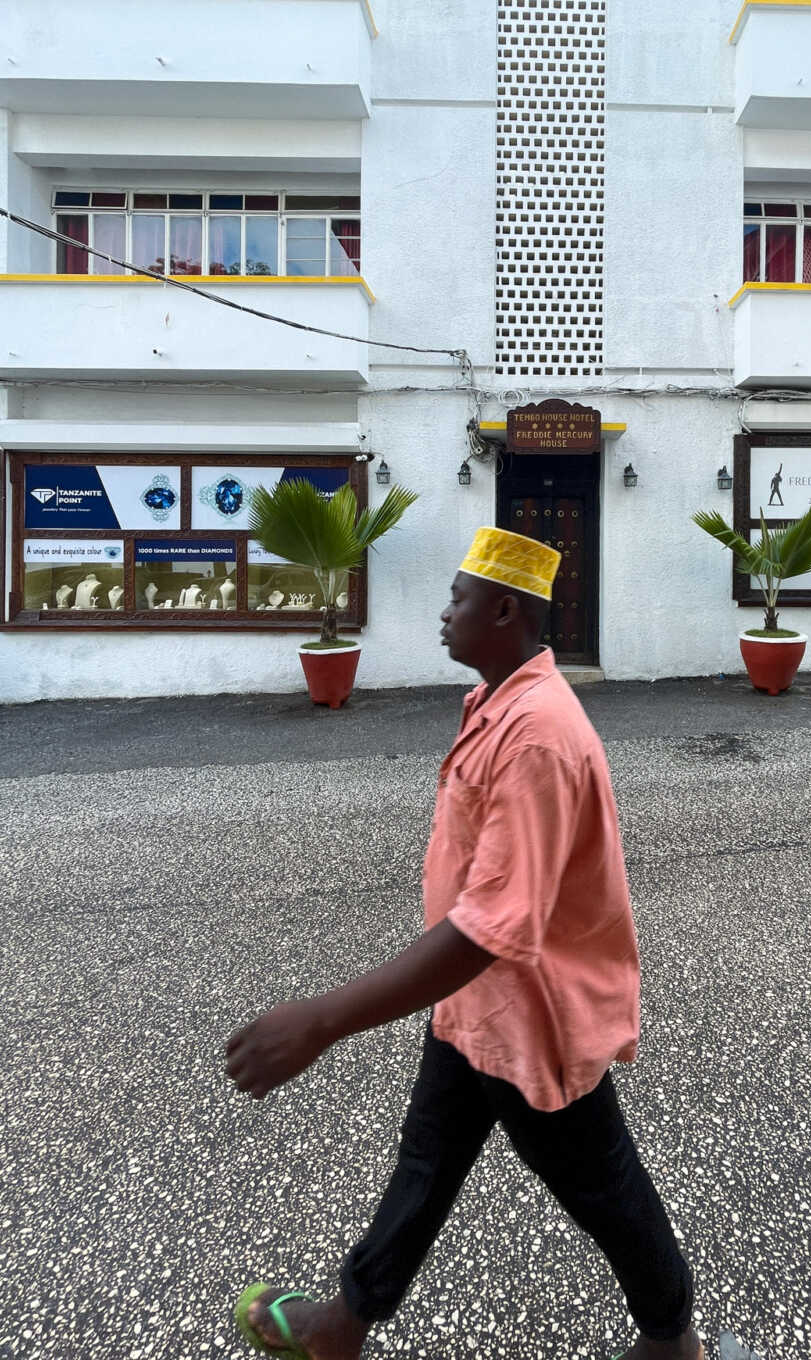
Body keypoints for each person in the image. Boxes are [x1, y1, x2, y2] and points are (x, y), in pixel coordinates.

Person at [226, 526, 703, 1360]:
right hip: (475, 1005)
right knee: (428, 1161)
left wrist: (322, 1020)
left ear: (504, 610)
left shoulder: (538, 735)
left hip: (534, 1019)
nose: (444, 614)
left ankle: (672, 1344)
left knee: (603, 1186)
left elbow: (493, 927)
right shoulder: (498, 702)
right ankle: (344, 1324)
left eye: (458, 598)